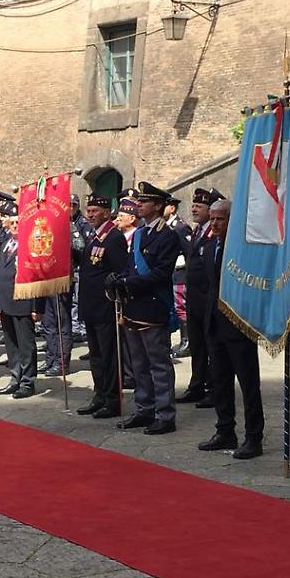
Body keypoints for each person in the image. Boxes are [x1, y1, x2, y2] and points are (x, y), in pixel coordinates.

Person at [108, 180, 180, 436]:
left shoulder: (167, 236)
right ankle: (144, 408)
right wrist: (118, 279)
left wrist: (129, 283)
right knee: (138, 363)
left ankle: (165, 414)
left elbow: (161, 273)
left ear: (158, 206)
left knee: (158, 364)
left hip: (153, 306)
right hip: (133, 306)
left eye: (144, 201)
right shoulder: (139, 234)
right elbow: (131, 266)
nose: (138, 204)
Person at [199, 197, 265, 459]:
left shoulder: (243, 249)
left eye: (220, 219)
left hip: (238, 323)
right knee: (220, 381)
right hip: (214, 322)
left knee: (248, 383)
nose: (215, 224)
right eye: (212, 219)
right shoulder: (210, 245)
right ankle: (225, 429)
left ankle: (253, 436)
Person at [75, 191, 128, 419]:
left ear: (107, 213)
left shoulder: (113, 237)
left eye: (95, 211)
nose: (90, 214)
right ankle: (100, 395)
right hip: (91, 306)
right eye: (88, 211)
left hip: (106, 307)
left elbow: (120, 270)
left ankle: (112, 400)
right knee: (96, 356)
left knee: (109, 356)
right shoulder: (94, 236)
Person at [175, 187, 220, 406]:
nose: (194, 209)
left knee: (212, 347)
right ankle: (197, 385)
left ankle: (213, 388)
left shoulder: (214, 232)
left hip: (207, 299)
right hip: (193, 298)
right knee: (197, 345)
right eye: (193, 205)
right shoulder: (197, 231)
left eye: (199, 206)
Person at [0, 200, 37, 399]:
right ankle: (15, 377)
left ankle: (27, 381)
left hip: (23, 302)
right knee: (11, 344)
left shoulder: (30, 246)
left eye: (18, 223)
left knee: (25, 345)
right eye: (11, 223)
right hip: (5, 301)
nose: (14, 226)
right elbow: (0, 275)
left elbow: (37, 278)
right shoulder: (6, 244)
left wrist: (36, 307)